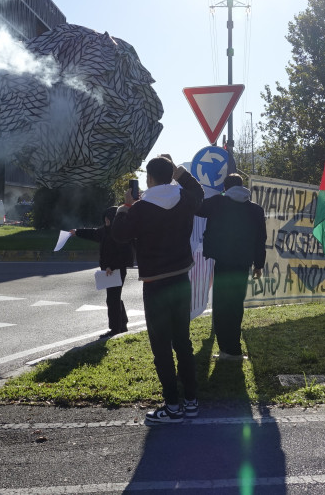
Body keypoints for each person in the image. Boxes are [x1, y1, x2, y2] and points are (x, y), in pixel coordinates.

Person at [111, 155, 204, 424]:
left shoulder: (140, 208)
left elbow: (119, 235)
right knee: (183, 343)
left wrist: (124, 207)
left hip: (155, 284)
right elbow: (198, 191)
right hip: (180, 279)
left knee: (161, 347)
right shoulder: (185, 198)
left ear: (149, 179)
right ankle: (191, 401)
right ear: (170, 174)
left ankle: (172, 406)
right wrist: (180, 174)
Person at [196, 173, 266, 360]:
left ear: (225, 188)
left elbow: (197, 209)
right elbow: (261, 240)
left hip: (222, 262)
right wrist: (259, 265)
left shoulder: (217, 202)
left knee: (221, 305)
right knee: (236, 306)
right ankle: (234, 349)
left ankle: (225, 349)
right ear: (242, 187)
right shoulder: (256, 210)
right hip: (243, 264)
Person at [70, 206, 135, 340]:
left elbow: (126, 256)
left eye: (108, 218)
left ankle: (115, 329)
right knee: (114, 298)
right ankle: (122, 324)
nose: (105, 220)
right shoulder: (104, 231)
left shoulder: (119, 233)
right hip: (108, 271)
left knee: (112, 299)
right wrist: (77, 232)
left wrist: (113, 266)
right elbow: (92, 233)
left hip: (116, 271)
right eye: (105, 217)